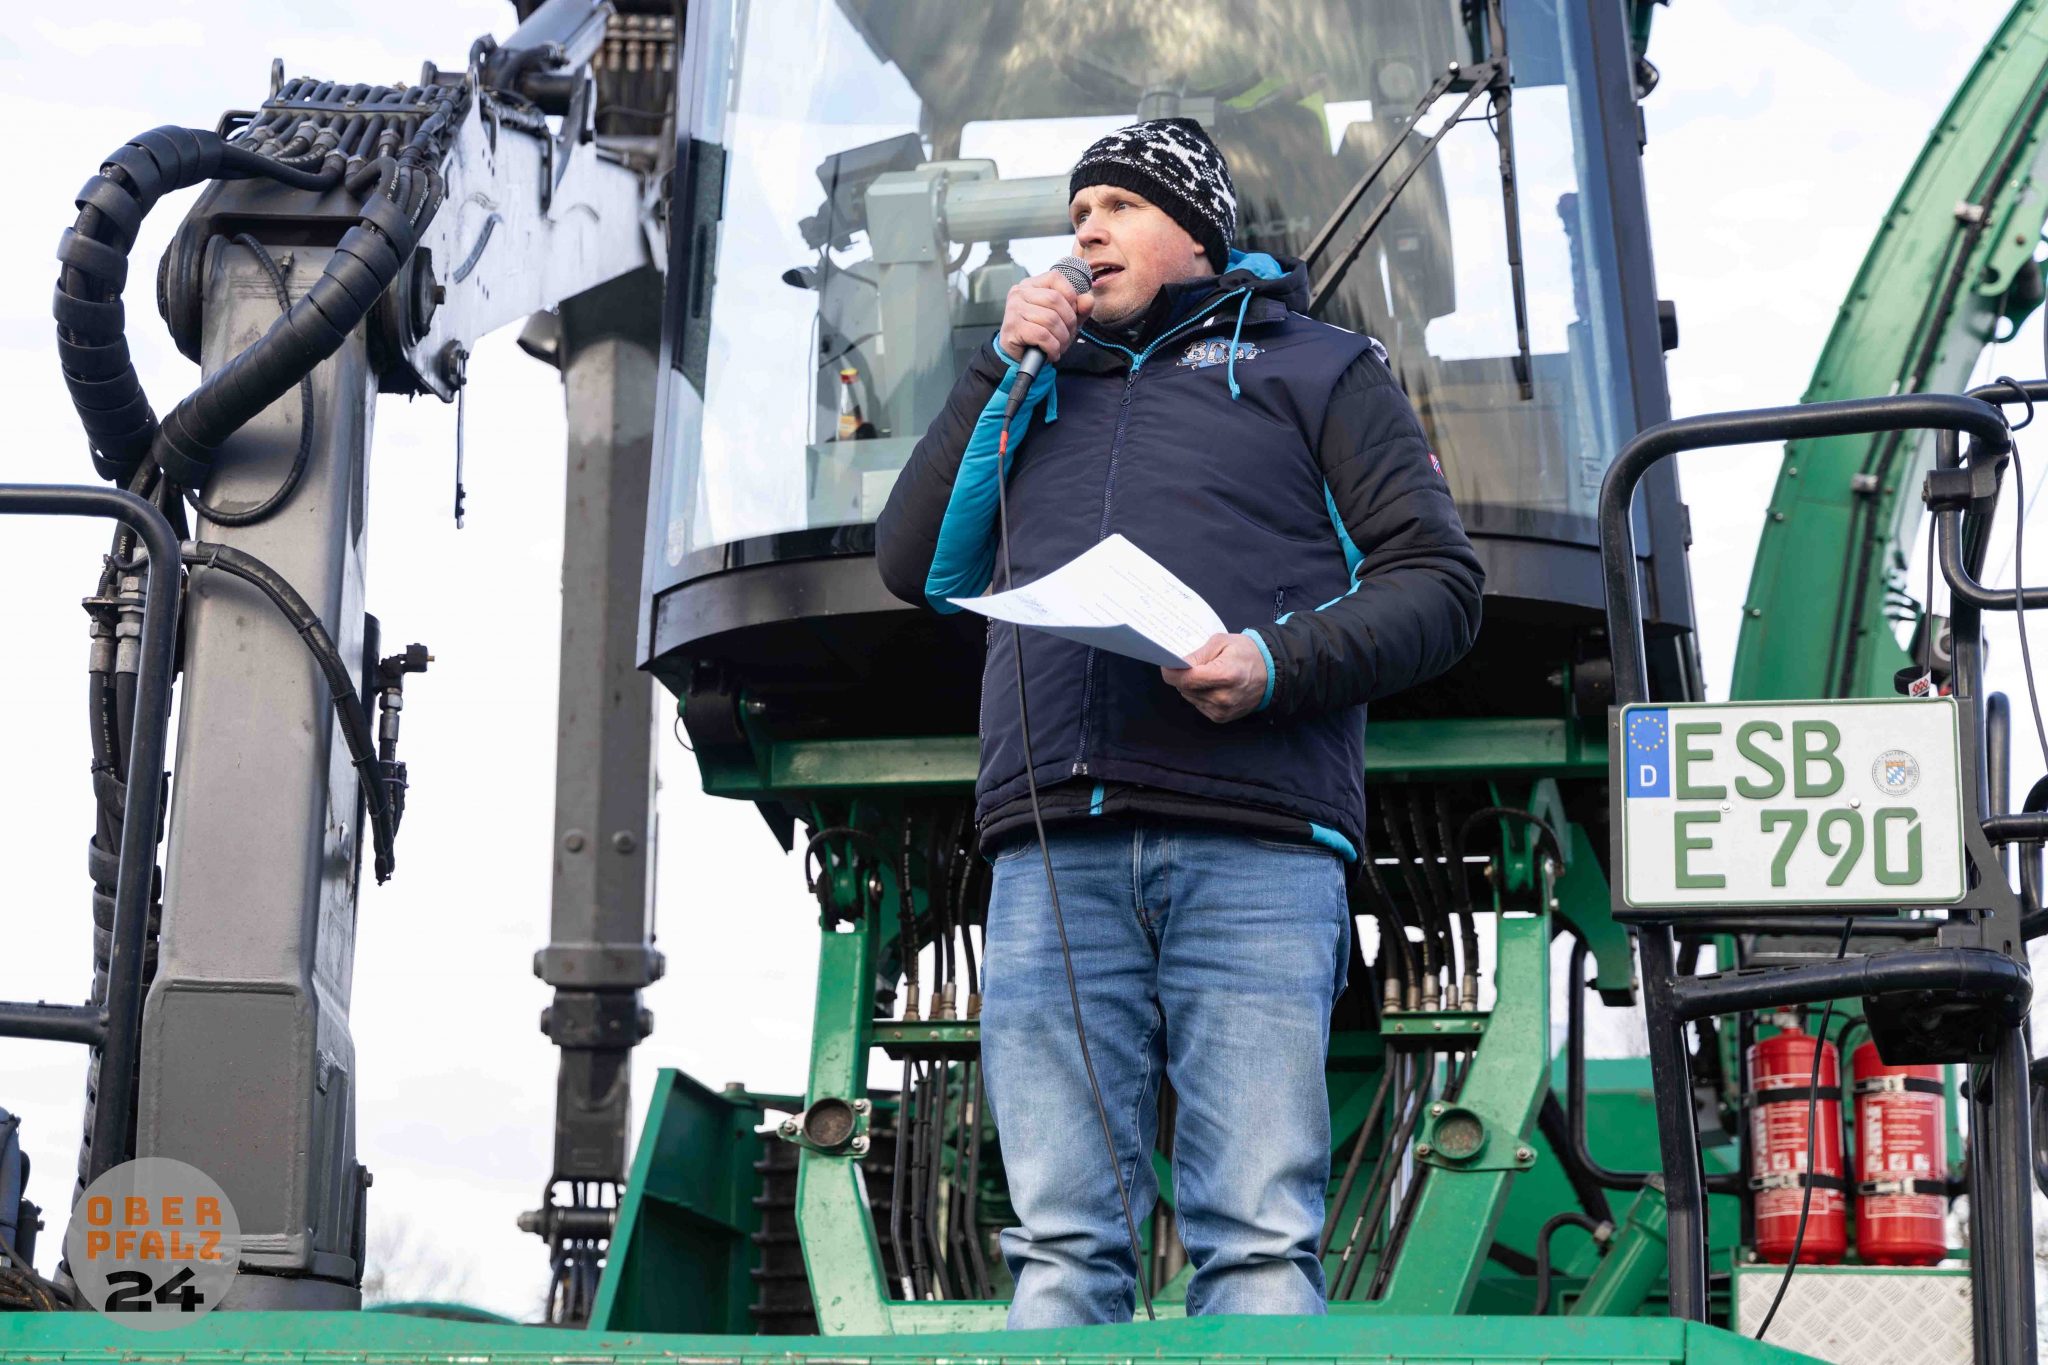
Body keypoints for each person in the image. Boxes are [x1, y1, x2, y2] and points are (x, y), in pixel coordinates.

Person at [874, 117, 1484, 1325]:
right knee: (1056, 1246)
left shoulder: (1317, 369)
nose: (1083, 228)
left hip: (1254, 840)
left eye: (1116, 205)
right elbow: (913, 562)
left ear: (1193, 229)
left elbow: (1437, 583)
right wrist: (998, 370)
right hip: (1052, 848)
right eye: (1076, 210)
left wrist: (1271, 661)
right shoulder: (1034, 387)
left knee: (1255, 1242)